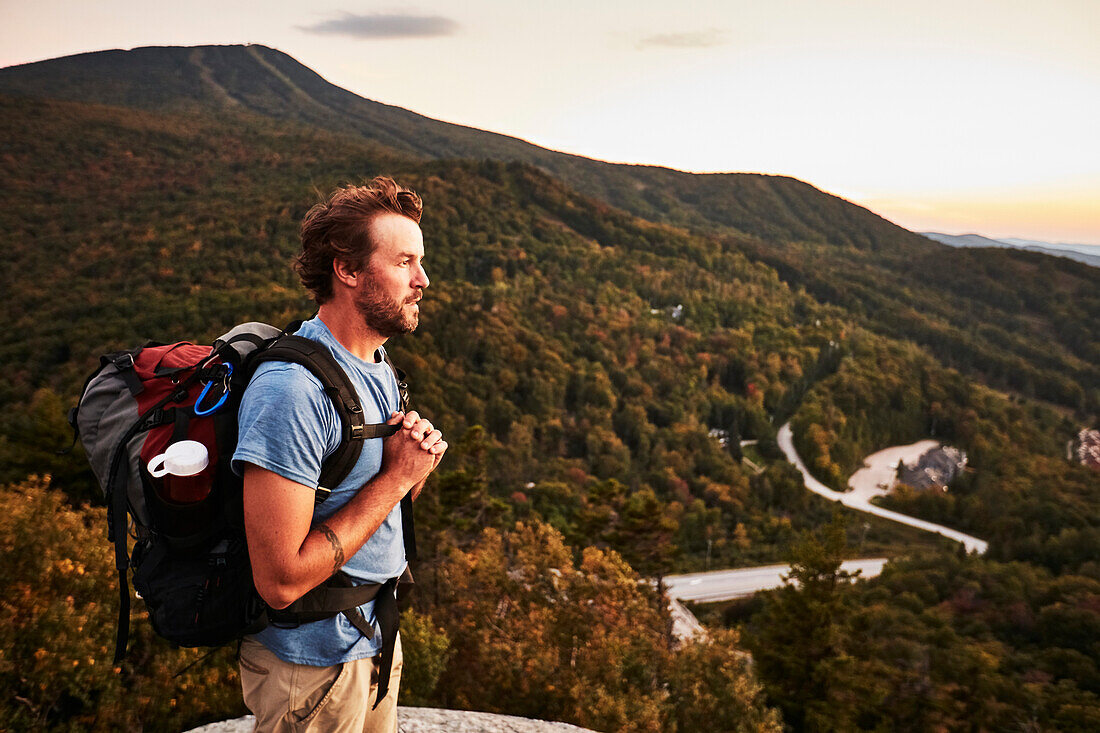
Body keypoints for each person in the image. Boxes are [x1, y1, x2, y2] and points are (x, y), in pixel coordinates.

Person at [232, 176, 446, 732]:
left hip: (373, 641)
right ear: (347, 270)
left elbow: (371, 498)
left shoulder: (378, 368)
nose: (422, 280)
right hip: (311, 666)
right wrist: (398, 480)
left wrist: (410, 465)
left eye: (419, 262)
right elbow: (278, 580)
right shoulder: (292, 391)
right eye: (404, 263)